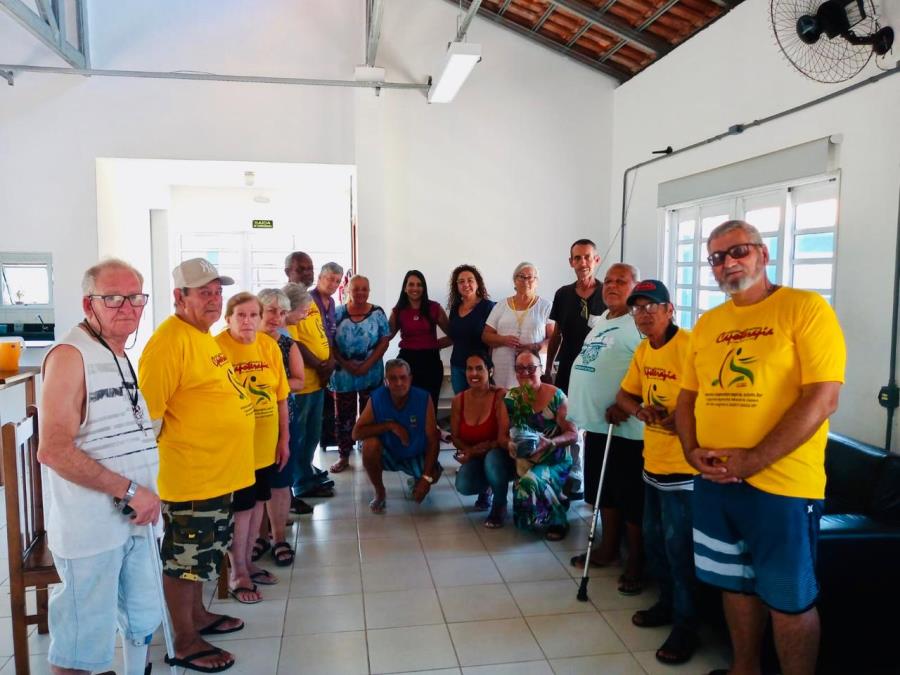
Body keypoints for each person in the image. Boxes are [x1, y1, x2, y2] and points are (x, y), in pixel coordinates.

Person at [676, 220, 845, 675]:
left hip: (783, 488)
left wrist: (753, 461)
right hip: (713, 482)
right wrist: (691, 451)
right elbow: (687, 399)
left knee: (790, 600)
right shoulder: (709, 324)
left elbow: (823, 398)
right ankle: (744, 669)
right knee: (735, 587)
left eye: (738, 252)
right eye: (716, 257)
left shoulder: (804, 309)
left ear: (763, 254)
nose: (727, 263)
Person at [38, 259, 161, 675]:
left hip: (135, 519)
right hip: (92, 527)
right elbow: (53, 448)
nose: (127, 307)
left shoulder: (118, 352)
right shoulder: (71, 355)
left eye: (136, 298)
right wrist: (128, 490)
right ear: (88, 303)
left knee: (141, 617)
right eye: (112, 298)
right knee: (81, 640)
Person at [139, 258, 255, 673]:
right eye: (203, 291)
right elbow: (147, 420)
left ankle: (198, 618)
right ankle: (183, 640)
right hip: (191, 478)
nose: (213, 298)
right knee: (184, 559)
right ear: (179, 297)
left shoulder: (202, 336)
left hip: (216, 475)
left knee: (203, 556)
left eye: (217, 290)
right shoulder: (169, 342)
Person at [615, 279, 699, 665]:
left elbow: (708, 404)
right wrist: (640, 412)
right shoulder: (645, 350)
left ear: (670, 310)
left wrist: (681, 420)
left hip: (685, 471)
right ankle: (666, 606)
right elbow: (624, 395)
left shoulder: (691, 348)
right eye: (638, 308)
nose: (644, 314)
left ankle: (686, 627)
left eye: (652, 306)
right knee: (655, 543)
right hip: (653, 465)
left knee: (680, 550)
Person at [566, 263, 645, 596]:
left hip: (626, 429)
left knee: (630, 498)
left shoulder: (638, 322)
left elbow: (653, 370)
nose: (612, 286)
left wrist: (629, 402)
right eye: (609, 281)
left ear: (635, 287)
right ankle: (609, 547)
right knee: (604, 492)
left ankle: (636, 563)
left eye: (621, 281)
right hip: (598, 426)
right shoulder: (602, 321)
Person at [215, 293, 290, 602]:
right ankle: (237, 573)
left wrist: (283, 439)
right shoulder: (216, 348)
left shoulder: (268, 346)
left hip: (265, 443)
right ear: (228, 318)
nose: (247, 321)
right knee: (241, 510)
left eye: (252, 315)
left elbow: (281, 396)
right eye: (240, 315)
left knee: (258, 504)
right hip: (234, 447)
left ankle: (248, 562)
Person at [352, 359, 443, 513]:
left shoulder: (423, 398)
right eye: (393, 378)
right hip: (389, 453)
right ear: (386, 381)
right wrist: (391, 426)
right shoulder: (377, 398)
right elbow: (356, 433)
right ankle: (380, 492)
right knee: (369, 445)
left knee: (434, 475)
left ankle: (417, 479)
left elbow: (433, 439)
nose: (399, 383)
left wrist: (426, 478)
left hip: (415, 452)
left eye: (403, 377)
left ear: (410, 378)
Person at [504, 349, 578, 540]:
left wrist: (551, 442)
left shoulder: (557, 396)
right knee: (523, 521)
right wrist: (509, 444)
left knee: (530, 483)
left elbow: (572, 434)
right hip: (526, 459)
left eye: (530, 368)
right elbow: (502, 433)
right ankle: (557, 501)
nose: (525, 372)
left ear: (541, 368)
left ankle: (559, 521)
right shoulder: (511, 398)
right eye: (519, 368)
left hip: (555, 458)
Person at [255, 288, 305, 566]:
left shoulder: (287, 345)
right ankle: (258, 536)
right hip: (249, 426)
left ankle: (279, 537)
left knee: (279, 481)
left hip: (281, 421)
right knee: (254, 483)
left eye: (282, 312)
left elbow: (299, 380)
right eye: (272, 310)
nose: (277, 317)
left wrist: (273, 386)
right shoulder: (245, 343)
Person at [329, 274, 391, 473]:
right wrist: (346, 364)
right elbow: (329, 342)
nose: (360, 292)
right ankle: (343, 456)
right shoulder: (336, 314)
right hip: (343, 374)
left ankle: (370, 454)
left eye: (364, 288)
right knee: (343, 418)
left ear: (369, 291)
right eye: (356, 288)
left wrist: (367, 365)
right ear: (348, 290)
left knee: (370, 416)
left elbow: (384, 340)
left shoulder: (377, 313)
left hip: (371, 373)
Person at [284, 281, 336, 502]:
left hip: (317, 382)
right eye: (302, 268)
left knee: (313, 435)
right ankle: (301, 482)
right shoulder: (287, 305)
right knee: (300, 437)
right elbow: (296, 343)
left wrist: (328, 362)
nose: (308, 273)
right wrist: (319, 365)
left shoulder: (309, 302)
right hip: (302, 384)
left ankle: (307, 474)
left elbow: (322, 334)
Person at [451, 352, 513, 527]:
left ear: (490, 371)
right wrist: (470, 451)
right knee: (463, 484)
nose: (474, 374)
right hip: (476, 457)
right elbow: (455, 437)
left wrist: (484, 448)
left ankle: (499, 505)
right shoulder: (458, 400)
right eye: (469, 369)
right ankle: (487, 487)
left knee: (492, 459)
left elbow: (504, 437)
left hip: (500, 456)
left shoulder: (501, 395)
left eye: (479, 368)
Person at [545, 239, 606, 393]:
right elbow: (556, 336)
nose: (583, 263)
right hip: (567, 367)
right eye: (577, 258)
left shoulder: (607, 294)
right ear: (571, 262)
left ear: (596, 260)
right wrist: (547, 369)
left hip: (597, 369)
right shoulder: (562, 294)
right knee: (565, 413)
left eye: (587, 257)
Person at [482, 262, 554, 389]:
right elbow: (486, 336)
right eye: (521, 276)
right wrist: (503, 340)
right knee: (505, 406)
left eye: (530, 277)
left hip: (531, 371)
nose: (526, 280)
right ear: (515, 281)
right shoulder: (500, 305)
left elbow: (553, 340)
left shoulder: (546, 306)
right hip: (503, 373)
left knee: (531, 405)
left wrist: (535, 347)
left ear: (536, 282)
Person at [389, 270, 451, 411]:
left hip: (431, 361)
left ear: (424, 288)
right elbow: (386, 337)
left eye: (419, 285)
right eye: (411, 284)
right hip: (406, 361)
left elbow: (453, 335)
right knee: (407, 405)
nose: (415, 288)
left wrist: (434, 345)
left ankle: (429, 432)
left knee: (429, 404)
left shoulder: (434, 308)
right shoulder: (398, 311)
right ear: (405, 288)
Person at [446, 265, 495, 394]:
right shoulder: (455, 308)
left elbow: (493, 340)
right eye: (461, 281)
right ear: (456, 286)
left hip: (479, 368)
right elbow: (453, 336)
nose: (466, 284)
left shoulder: (489, 307)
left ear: (477, 283)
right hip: (457, 366)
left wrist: (490, 366)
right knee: (461, 404)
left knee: (480, 405)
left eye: (470, 280)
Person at [311, 262, 343, 453]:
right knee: (306, 422)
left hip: (327, 365)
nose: (333, 284)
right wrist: (320, 364)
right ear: (320, 278)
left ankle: (307, 469)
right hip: (310, 366)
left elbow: (329, 335)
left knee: (319, 419)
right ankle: (302, 472)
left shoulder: (332, 303)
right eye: (330, 278)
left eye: (337, 281)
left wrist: (330, 361)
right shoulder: (308, 300)